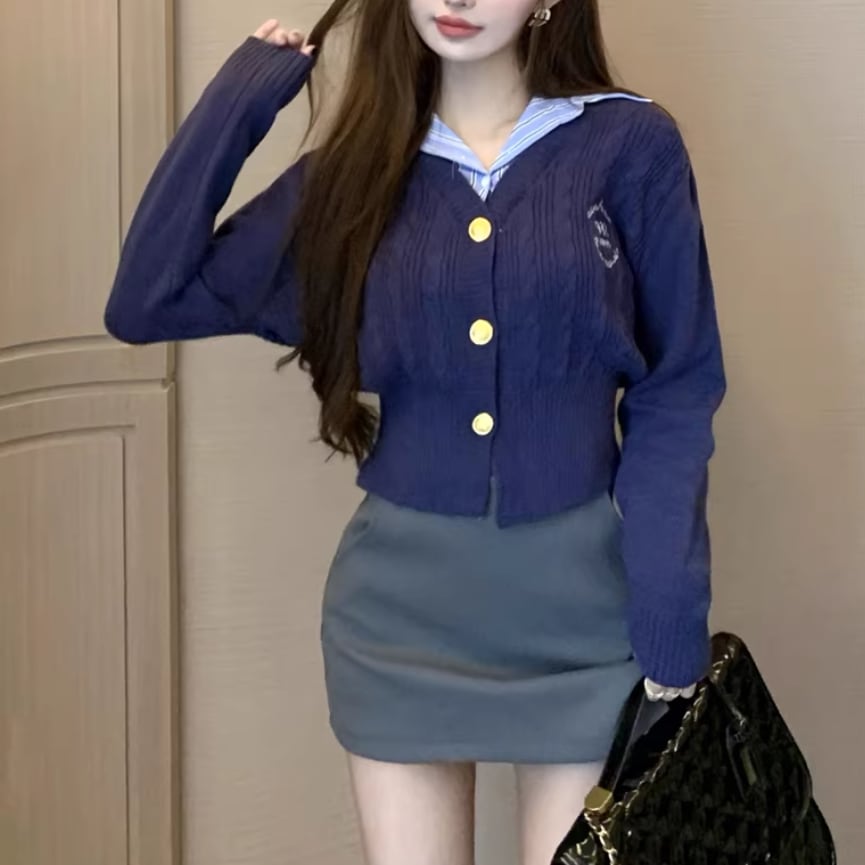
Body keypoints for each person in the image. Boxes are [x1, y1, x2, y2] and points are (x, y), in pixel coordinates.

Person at [103, 1, 726, 862]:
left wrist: (668, 606)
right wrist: (244, 94)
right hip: (397, 629)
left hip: (587, 624)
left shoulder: (628, 144)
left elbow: (677, 384)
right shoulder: (350, 174)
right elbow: (145, 301)